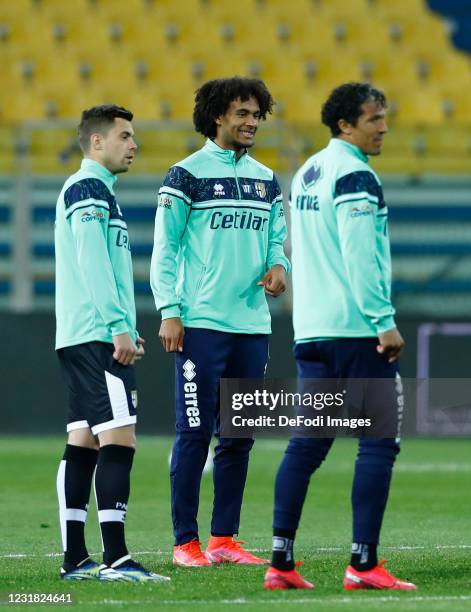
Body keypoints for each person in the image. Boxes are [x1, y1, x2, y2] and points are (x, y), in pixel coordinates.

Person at [264, 83, 417, 590]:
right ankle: (364, 563)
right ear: (345, 125)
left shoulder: (308, 171)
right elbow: (358, 254)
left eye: (383, 117)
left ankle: (280, 561)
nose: (384, 127)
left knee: (307, 444)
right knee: (378, 442)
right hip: (356, 330)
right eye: (374, 118)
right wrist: (383, 320)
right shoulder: (355, 174)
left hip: (311, 328)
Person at [151, 77, 290, 567]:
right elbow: (164, 250)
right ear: (217, 116)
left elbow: (276, 241)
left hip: (253, 326)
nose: (252, 122)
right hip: (201, 323)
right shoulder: (184, 175)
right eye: (243, 114)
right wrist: (170, 311)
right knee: (194, 432)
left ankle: (224, 539)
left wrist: (280, 268)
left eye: (256, 115)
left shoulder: (267, 178)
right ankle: (185, 543)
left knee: (239, 436)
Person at [55, 104, 169, 583]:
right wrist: (116, 327)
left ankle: (76, 558)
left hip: (90, 331)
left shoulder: (100, 192)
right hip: (97, 335)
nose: (133, 144)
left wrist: (124, 322)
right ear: (96, 142)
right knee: (119, 439)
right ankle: (116, 558)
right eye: (124, 135)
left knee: (83, 439)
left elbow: (105, 267)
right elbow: (92, 263)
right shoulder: (88, 189)